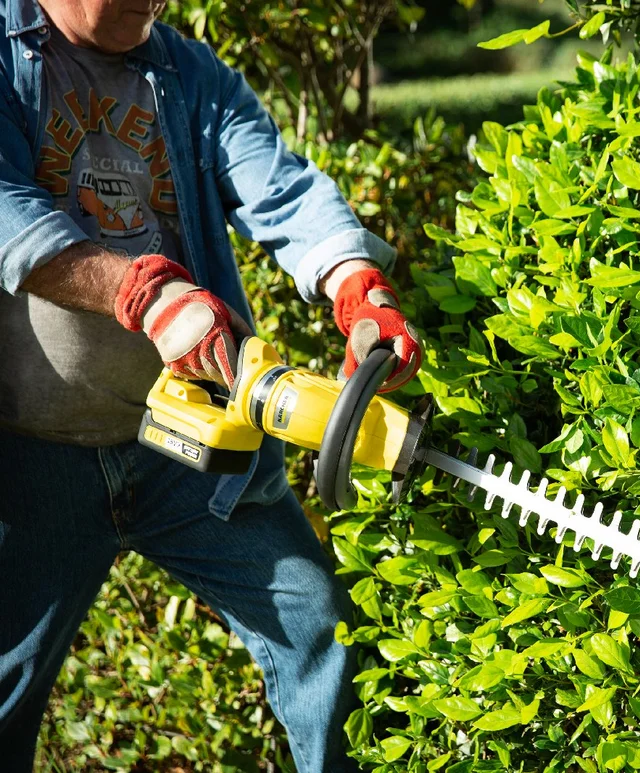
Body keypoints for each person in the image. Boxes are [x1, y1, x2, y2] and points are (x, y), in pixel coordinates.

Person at [0, 0, 423, 770]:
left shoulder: (188, 75)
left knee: (322, 633)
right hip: (30, 463)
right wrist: (146, 294)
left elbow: (282, 189)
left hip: (186, 453)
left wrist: (355, 282)